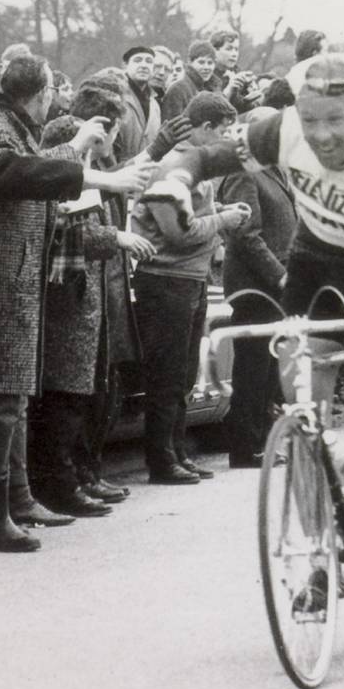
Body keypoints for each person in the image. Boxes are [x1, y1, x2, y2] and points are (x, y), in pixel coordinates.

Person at [149, 53, 344, 515]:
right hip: (315, 264)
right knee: (305, 417)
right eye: (310, 120)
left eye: (335, 120)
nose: (320, 135)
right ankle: (319, 555)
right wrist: (176, 182)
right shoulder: (283, 130)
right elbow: (203, 156)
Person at [0, 55, 156, 553]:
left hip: (11, 279)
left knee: (7, 401)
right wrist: (89, 169)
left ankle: (7, 504)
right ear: (44, 91)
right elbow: (13, 172)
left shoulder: (5, 124)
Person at [131, 92, 249, 485]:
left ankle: (178, 451)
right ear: (205, 129)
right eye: (224, 132)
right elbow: (178, 233)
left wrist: (218, 214)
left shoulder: (198, 168)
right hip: (167, 279)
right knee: (166, 376)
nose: (228, 141)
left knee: (183, 375)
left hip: (190, 279)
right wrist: (223, 221)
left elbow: (196, 218)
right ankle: (161, 460)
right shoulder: (170, 169)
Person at [218, 107, 300, 468]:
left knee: (268, 368)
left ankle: (262, 441)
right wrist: (279, 274)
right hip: (255, 286)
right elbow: (246, 235)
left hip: (276, 285)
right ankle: (245, 446)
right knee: (252, 368)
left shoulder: (276, 168)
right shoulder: (243, 170)